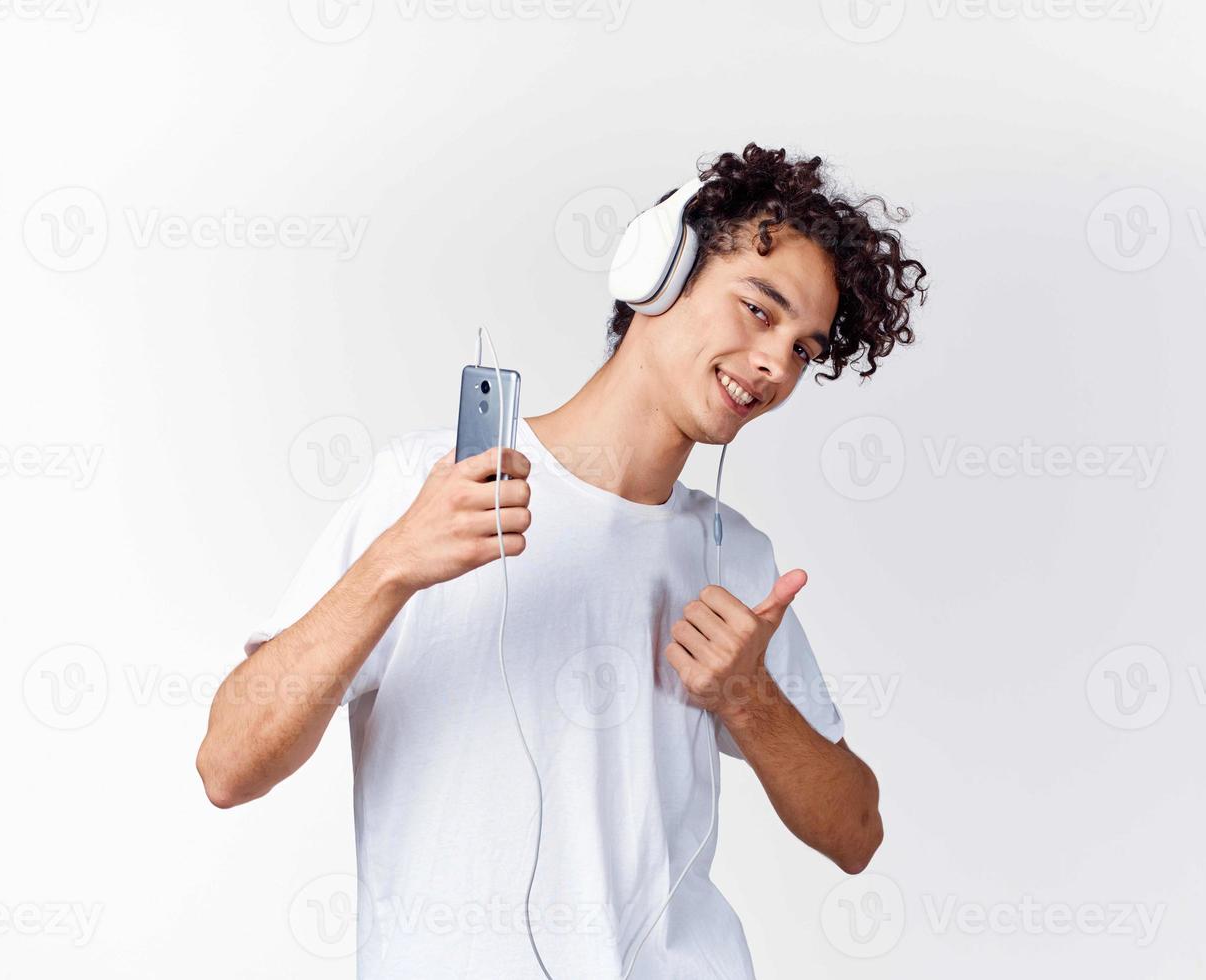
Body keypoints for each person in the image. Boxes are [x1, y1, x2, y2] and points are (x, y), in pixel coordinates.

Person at [196, 142, 928, 979]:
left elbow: (856, 833)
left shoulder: (738, 556)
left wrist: (750, 698)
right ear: (661, 273)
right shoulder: (432, 489)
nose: (774, 366)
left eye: (804, 348)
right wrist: (393, 564)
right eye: (760, 311)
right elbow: (228, 764)